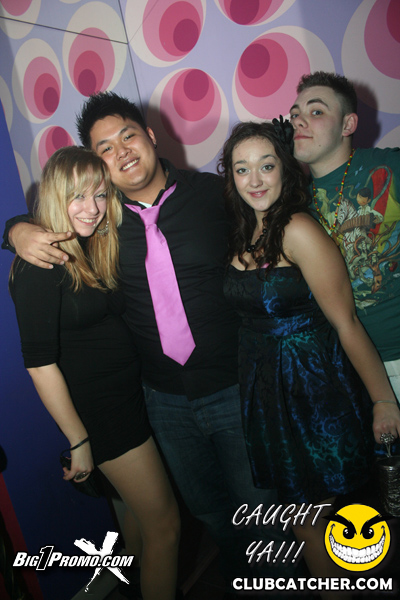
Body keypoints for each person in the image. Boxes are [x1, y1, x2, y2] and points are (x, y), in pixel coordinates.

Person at [3, 93, 295, 597]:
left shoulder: (214, 195)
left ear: (151, 136)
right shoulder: (101, 221)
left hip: (233, 387)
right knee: (209, 514)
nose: (121, 151)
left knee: (264, 516)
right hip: (161, 401)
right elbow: (55, 213)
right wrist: (15, 231)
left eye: (128, 136)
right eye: (105, 148)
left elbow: (278, 209)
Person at [219, 119, 400, 599]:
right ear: (231, 176)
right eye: (242, 168)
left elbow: (346, 323)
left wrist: (383, 400)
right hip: (268, 391)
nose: (255, 179)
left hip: (313, 391)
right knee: (304, 518)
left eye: (266, 166)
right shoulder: (244, 230)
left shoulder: (298, 229)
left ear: (284, 169)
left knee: (314, 517)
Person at [9, 147, 180, 600]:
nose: (92, 208)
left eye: (100, 195)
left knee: (137, 520)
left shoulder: (90, 245)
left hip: (129, 398)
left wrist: (12, 229)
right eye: (78, 196)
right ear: (55, 198)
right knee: (165, 526)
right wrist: (79, 441)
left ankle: (129, 587)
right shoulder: (39, 264)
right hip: (103, 415)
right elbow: (39, 364)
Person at [289, 71, 400, 401]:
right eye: (294, 115)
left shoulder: (388, 168)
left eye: (316, 111)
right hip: (352, 370)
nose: (299, 121)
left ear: (348, 125)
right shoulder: (294, 204)